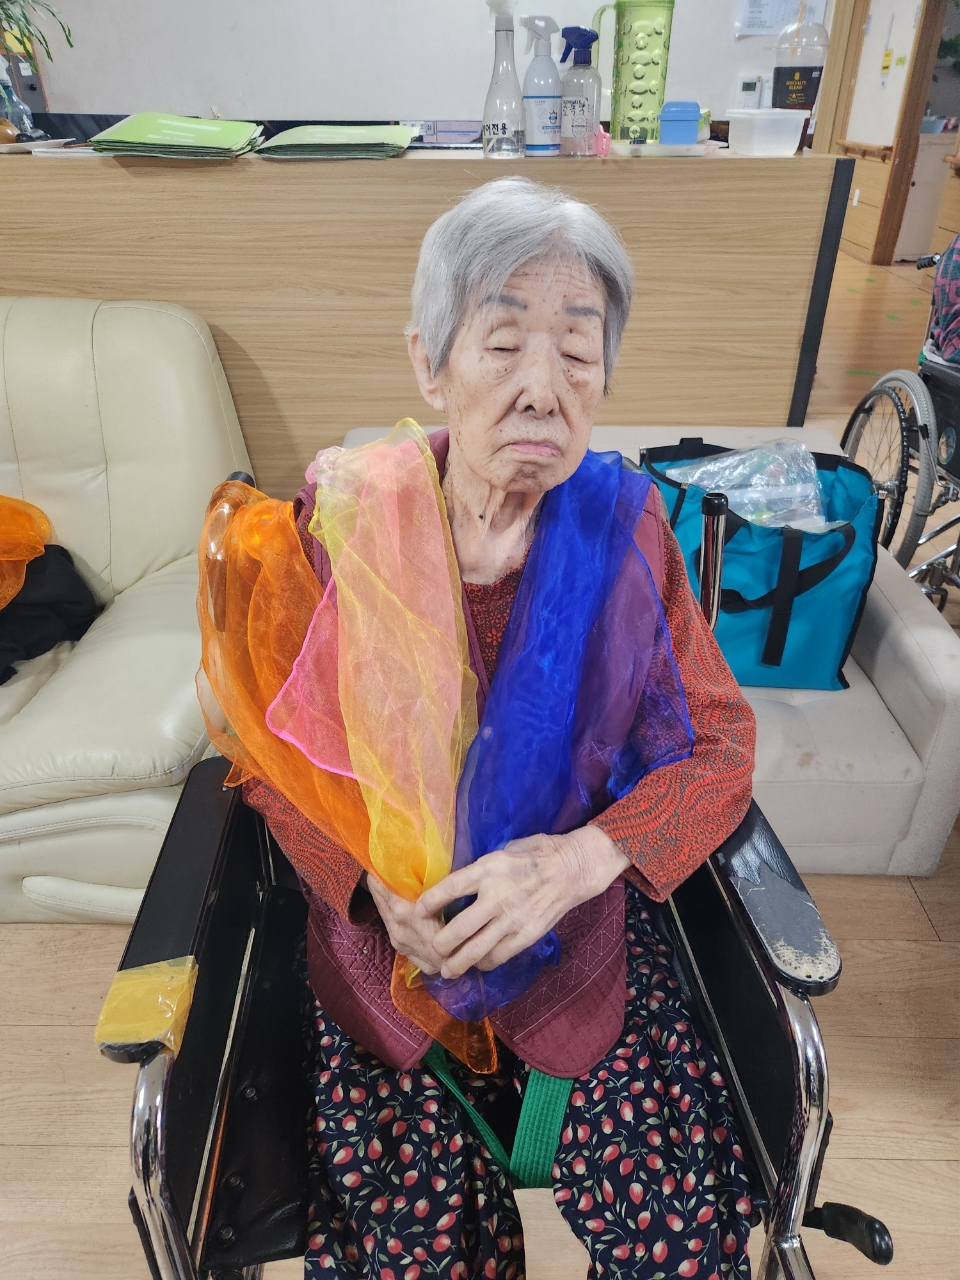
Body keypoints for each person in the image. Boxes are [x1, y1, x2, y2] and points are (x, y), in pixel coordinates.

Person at [199, 177, 757, 1280]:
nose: (544, 390)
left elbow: (721, 746)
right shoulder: (339, 528)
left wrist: (580, 861)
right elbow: (264, 759)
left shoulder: (628, 527)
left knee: (683, 1241)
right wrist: (372, 890)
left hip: (579, 942)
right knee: (412, 1253)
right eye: (503, 346)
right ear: (430, 363)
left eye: (578, 353)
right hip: (390, 959)